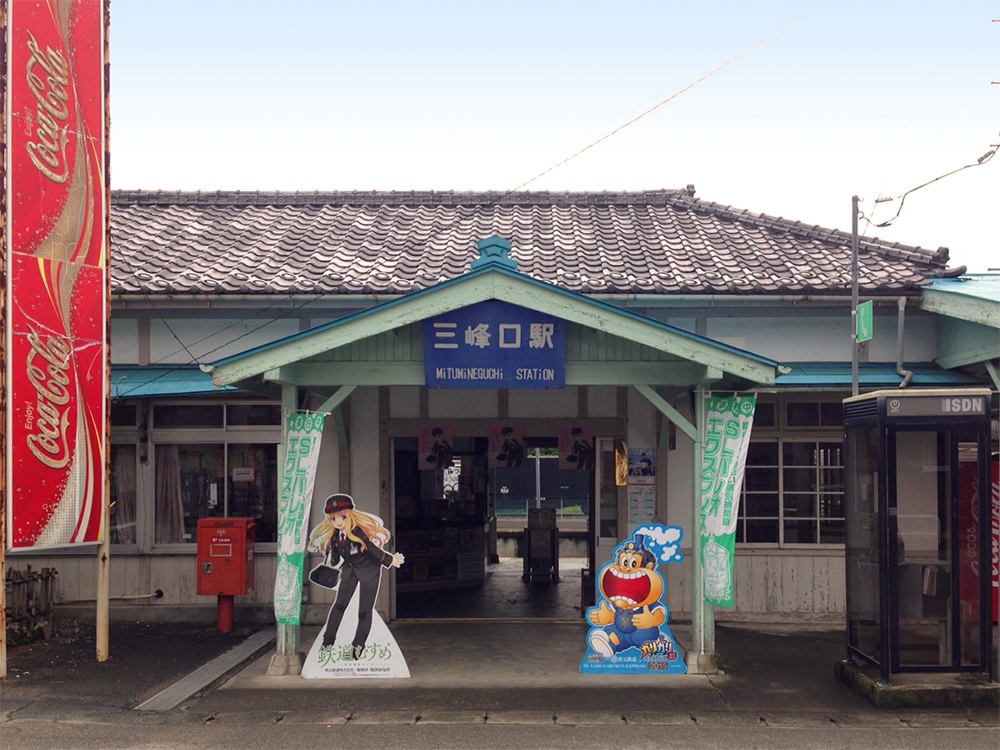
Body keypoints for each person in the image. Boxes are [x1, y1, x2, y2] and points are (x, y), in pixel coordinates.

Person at [308, 493, 404, 658]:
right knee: (339, 606)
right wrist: (329, 549)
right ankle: (327, 643)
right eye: (333, 518)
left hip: (369, 571)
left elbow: (371, 549)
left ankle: (358, 647)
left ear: (350, 515)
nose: (338, 522)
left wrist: (390, 559)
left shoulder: (357, 531)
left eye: (342, 517)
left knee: (364, 611)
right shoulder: (336, 535)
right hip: (350, 570)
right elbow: (337, 559)